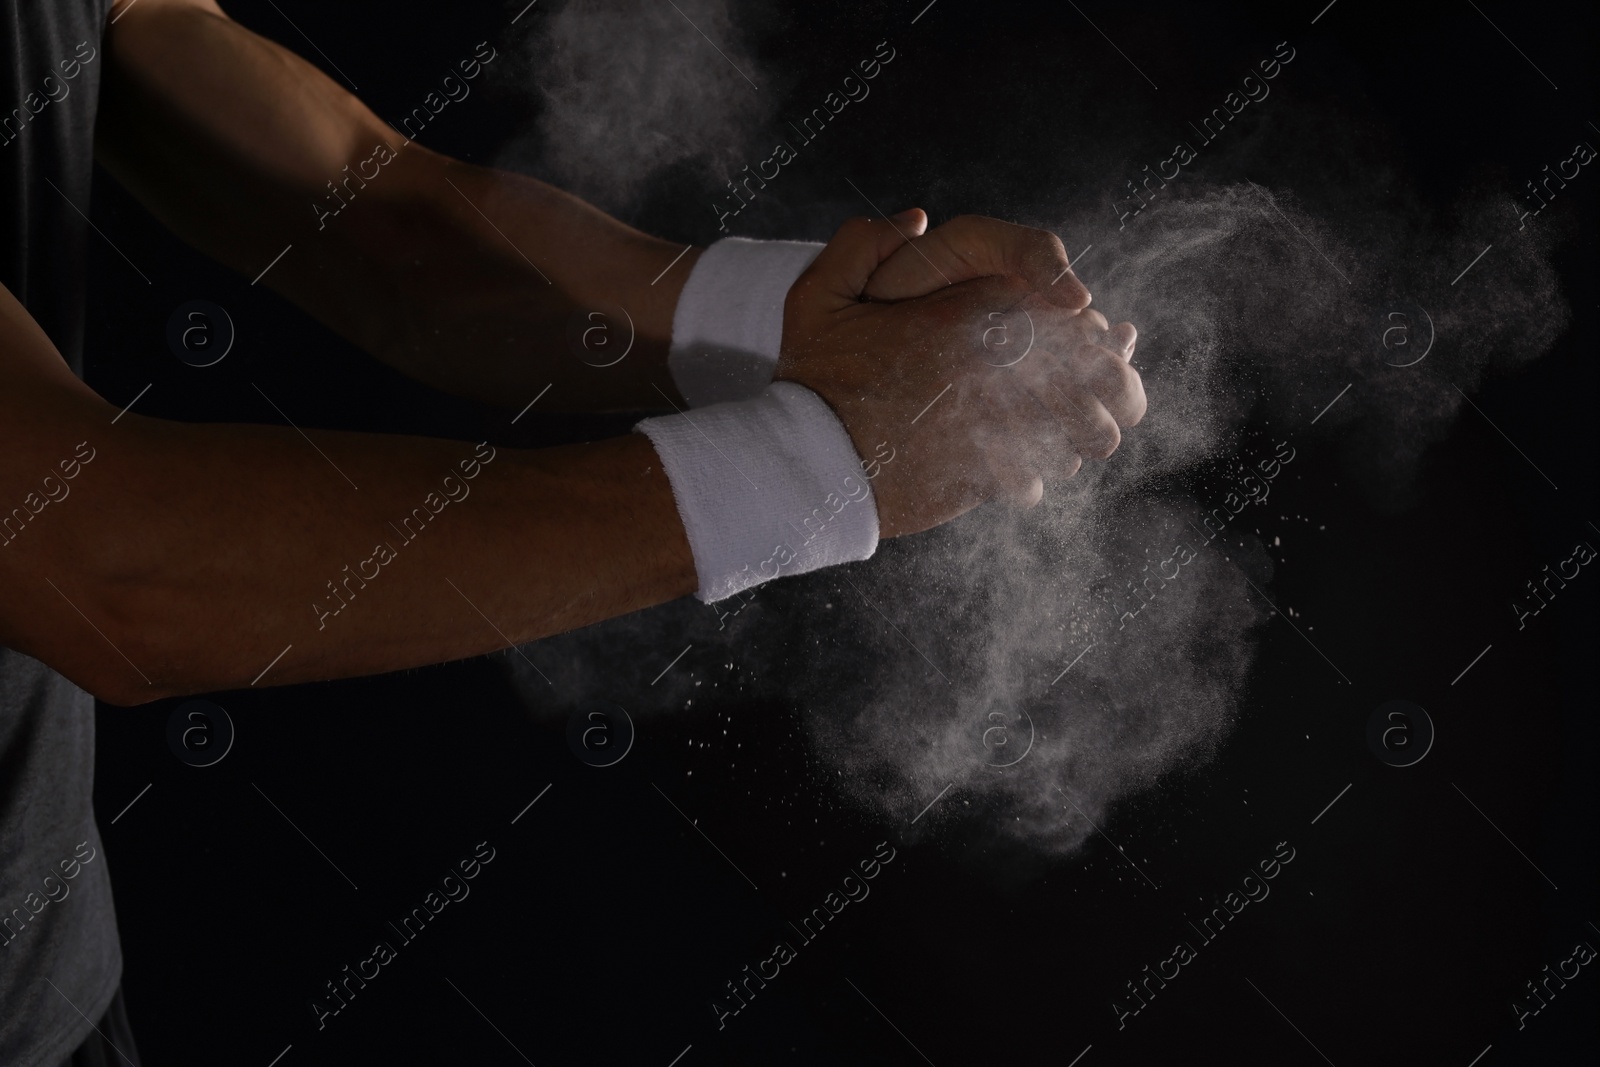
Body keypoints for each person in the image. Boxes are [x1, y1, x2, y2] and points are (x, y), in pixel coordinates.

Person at [0, 0, 1144, 1061]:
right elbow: (104, 563)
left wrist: (785, 328)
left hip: (54, 982)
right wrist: (818, 458)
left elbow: (358, 200)